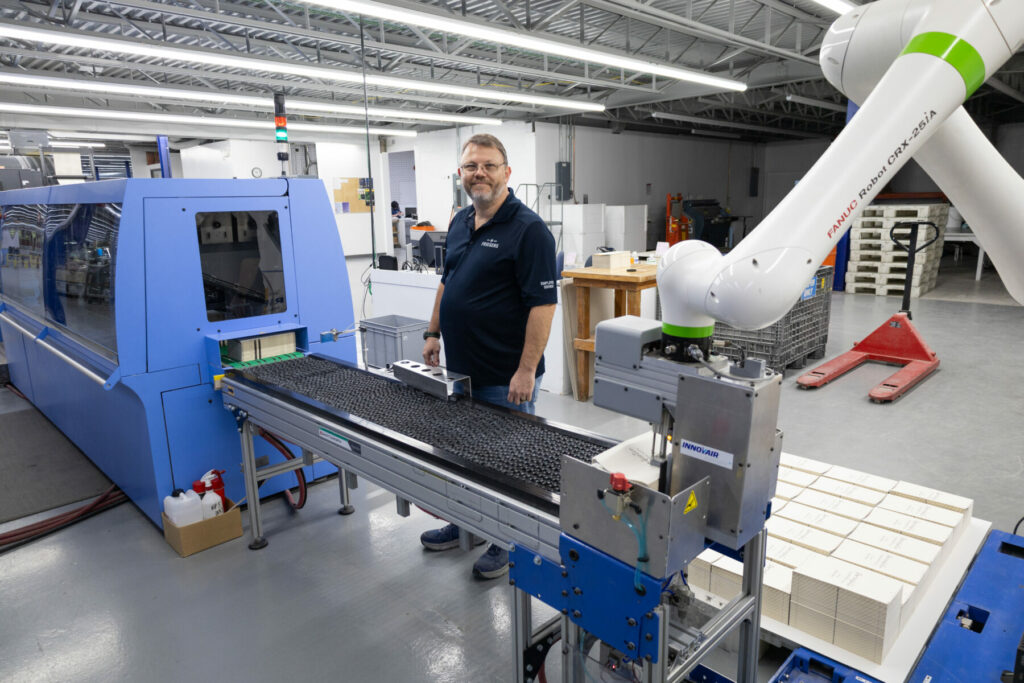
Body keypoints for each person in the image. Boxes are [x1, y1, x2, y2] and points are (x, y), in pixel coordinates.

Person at [419, 133, 558, 579]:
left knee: (508, 462)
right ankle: (467, 524)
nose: (479, 173)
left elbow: (543, 305)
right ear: (461, 174)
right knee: (466, 454)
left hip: (505, 375)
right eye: (471, 166)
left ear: (506, 172)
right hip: (462, 369)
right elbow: (448, 280)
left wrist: (526, 370)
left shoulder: (530, 231)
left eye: (489, 165)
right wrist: (433, 331)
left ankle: (509, 540)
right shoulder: (462, 220)